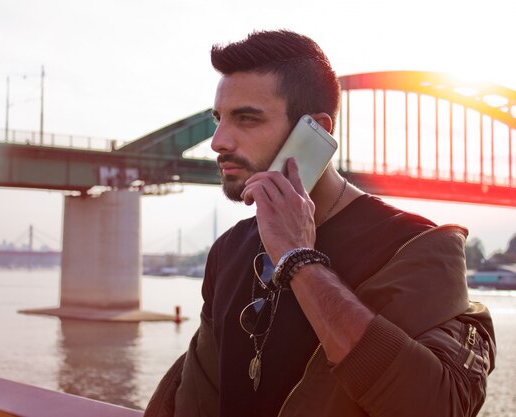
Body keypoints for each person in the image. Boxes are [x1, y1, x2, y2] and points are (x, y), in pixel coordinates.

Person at [145, 30, 495, 417]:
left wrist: (299, 258)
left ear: (317, 130)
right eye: (218, 119)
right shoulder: (229, 249)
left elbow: (436, 407)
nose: (218, 141)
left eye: (246, 119)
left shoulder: (418, 248)